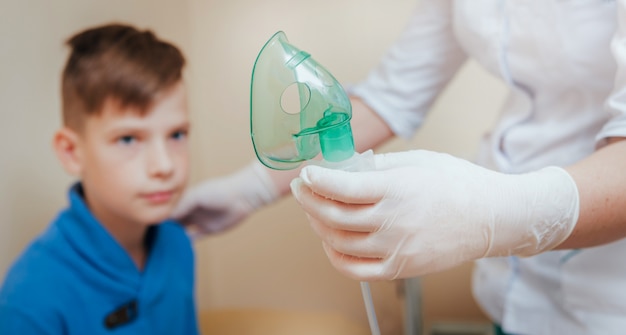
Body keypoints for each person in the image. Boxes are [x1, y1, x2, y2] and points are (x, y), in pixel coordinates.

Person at [174, 1, 626, 334]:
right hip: (509, 292)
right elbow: (393, 94)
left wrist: (490, 212)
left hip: (607, 297)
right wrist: (249, 188)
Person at [0, 24, 198, 334]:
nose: (164, 165)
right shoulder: (31, 299)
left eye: (177, 134)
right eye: (129, 139)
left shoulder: (177, 244)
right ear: (71, 152)